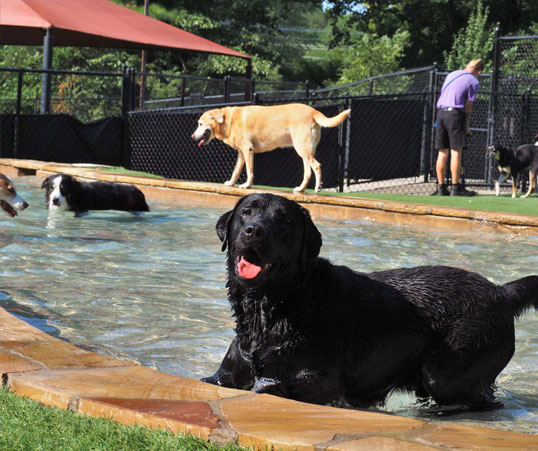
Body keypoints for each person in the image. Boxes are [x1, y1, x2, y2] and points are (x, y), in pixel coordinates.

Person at [433, 58, 484, 196]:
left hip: (441, 114)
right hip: (455, 115)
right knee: (456, 152)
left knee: (442, 152)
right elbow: (468, 105)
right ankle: (455, 188)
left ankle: (441, 188)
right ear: (479, 71)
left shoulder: (452, 74)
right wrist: (466, 125)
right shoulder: (474, 81)